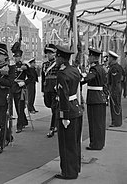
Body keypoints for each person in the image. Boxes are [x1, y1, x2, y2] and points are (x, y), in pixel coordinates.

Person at [54, 45, 83, 180]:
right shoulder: (74, 70)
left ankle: (68, 172)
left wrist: (64, 116)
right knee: (75, 142)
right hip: (76, 107)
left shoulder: (62, 73)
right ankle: (75, 167)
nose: (55, 59)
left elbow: (64, 96)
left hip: (67, 111)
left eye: (56, 56)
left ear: (60, 58)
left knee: (66, 143)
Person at [81, 48, 107, 150]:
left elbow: (88, 78)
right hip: (100, 97)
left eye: (89, 56)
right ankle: (100, 143)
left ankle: (95, 144)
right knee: (99, 122)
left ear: (93, 57)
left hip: (94, 98)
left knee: (94, 122)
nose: (88, 58)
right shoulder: (101, 68)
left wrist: (80, 80)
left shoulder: (94, 69)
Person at [10, 48, 33, 133]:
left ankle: (19, 126)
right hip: (14, 88)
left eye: (18, 57)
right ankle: (24, 121)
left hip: (21, 89)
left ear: (21, 57)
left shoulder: (25, 66)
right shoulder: (12, 67)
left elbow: (31, 77)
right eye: (15, 57)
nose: (16, 58)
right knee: (17, 107)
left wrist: (24, 82)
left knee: (20, 107)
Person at [41, 44, 59, 138]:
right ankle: (56, 123)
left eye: (50, 53)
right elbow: (43, 79)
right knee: (49, 105)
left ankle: (52, 127)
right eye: (47, 53)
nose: (48, 55)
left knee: (54, 108)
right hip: (47, 89)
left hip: (55, 89)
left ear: (55, 54)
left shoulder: (58, 64)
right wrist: (43, 91)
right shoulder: (44, 65)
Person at [107, 50, 124, 127]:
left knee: (115, 105)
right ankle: (117, 121)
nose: (108, 59)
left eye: (109, 57)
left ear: (112, 58)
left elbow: (114, 81)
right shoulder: (118, 67)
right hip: (117, 88)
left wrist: (111, 90)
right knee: (117, 104)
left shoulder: (114, 68)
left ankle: (116, 122)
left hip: (115, 89)